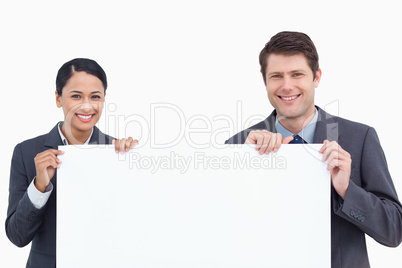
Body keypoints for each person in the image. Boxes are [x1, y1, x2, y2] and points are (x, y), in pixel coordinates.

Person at [225, 31, 402, 267]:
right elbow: (219, 232)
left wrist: (347, 190)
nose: (287, 86)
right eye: (276, 76)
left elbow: (393, 232)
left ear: (316, 77)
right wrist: (245, 167)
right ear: (265, 82)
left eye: (297, 74)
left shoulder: (359, 138)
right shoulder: (238, 146)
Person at [5, 58, 138, 268]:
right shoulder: (27, 152)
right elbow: (17, 236)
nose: (87, 106)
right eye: (76, 96)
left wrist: (134, 161)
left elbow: (136, 228)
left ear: (104, 99)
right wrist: (39, 186)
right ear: (58, 98)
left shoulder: (118, 153)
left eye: (95, 97)